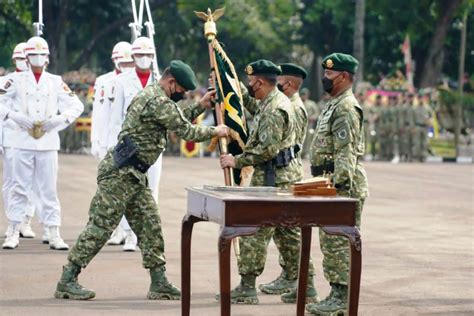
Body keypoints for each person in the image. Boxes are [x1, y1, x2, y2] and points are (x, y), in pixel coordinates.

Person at [54, 60, 228, 300]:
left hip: (134, 176)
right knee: (101, 226)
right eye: (181, 90)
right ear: (171, 82)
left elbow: (175, 119)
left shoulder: (157, 98)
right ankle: (67, 279)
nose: (182, 95)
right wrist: (216, 131)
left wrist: (200, 106)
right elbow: (186, 131)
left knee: (150, 226)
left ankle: (159, 283)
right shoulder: (157, 100)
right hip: (120, 175)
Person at [219, 59, 300, 304]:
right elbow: (253, 106)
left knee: (253, 231)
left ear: (261, 82)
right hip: (281, 177)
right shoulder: (272, 102)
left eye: (251, 82)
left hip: (274, 180)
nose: (249, 85)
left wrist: (237, 161)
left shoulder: (275, 109)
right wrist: (227, 85)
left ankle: (247, 287)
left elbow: (266, 150)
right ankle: (307, 286)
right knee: (288, 236)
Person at [0, 36, 84, 250]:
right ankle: (13, 230)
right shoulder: (14, 80)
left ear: (47, 58)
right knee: (19, 188)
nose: (37, 59)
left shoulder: (55, 81)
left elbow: (76, 105)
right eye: (33, 55)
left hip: (47, 142)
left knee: (48, 190)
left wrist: (58, 120)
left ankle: (53, 231)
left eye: (41, 55)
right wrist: (14, 116)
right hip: (22, 140)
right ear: (26, 58)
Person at [306, 53, 368, 315]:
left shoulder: (345, 107)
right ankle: (335, 293)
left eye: (330, 74)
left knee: (338, 242)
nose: (325, 78)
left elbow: (346, 152)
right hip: (328, 181)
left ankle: (341, 298)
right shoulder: (334, 103)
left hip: (342, 185)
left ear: (343, 77)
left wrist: (338, 189)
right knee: (330, 241)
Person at [268, 63, 318, 303]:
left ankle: (305, 280)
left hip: (287, 173)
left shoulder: (295, 108)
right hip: (280, 174)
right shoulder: (287, 104)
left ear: (286, 84)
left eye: (277, 81)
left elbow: (288, 144)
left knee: (291, 231)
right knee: (282, 230)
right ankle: (289, 275)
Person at [106, 37, 160, 251]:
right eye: (139, 55)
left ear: (153, 57)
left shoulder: (160, 80)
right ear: (133, 57)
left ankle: (146, 236)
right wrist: (115, 148)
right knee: (129, 191)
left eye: (148, 55)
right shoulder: (121, 81)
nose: (144, 59)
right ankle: (129, 234)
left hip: (154, 147)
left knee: (152, 191)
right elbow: (115, 118)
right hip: (130, 147)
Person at [1, 42, 42, 241]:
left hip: (33, 138)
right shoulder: (8, 81)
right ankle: (13, 222)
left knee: (33, 181)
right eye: (17, 58)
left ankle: (26, 219)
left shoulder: (38, 81)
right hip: (11, 138)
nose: (21, 61)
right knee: (12, 182)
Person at [90, 41, 133, 160]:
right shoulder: (103, 81)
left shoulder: (135, 81)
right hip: (108, 138)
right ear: (114, 60)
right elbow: (98, 112)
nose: (127, 66)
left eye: (130, 63)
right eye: (124, 63)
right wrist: (95, 140)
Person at [412, 93, 433, 162]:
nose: (420, 100)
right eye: (419, 98)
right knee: (416, 142)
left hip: (425, 127)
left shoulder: (427, 108)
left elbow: (431, 116)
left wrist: (430, 121)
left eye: (421, 98)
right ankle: (416, 156)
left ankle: (423, 156)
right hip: (417, 126)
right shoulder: (415, 108)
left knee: (425, 142)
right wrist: (413, 127)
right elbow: (412, 119)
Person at [300, 87, 319, 158]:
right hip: (300, 124)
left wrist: (313, 117)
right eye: (302, 94)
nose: (303, 96)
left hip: (309, 124)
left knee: (309, 138)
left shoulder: (312, 104)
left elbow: (317, 113)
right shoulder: (298, 103)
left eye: (305, 94)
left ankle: (307, 152)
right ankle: (300, 152)